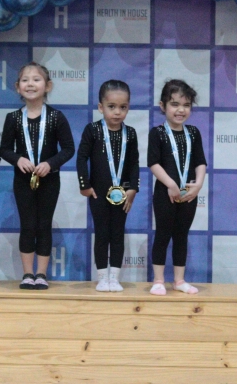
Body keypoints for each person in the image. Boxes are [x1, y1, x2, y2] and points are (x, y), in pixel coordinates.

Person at [0, 63, 75, 290]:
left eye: (36, 79)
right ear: (17, 87)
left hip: (49, 180)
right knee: (27, 224)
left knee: (43, 224)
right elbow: (4, 149)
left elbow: (68, 149)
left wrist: (50, 164)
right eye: (25, 80)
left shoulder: (56, 117)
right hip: (23, 180)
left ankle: (41, 274)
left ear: (47, 86)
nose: (30, 84)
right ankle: (27, 274)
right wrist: (18, 159)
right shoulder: (13, 118)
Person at [77, 80, 139, 292]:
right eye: (111, 106)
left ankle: (115, 277)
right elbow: (81, 158)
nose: (117, 112)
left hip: (122, 195)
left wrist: (133, 189)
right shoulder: (92, 130)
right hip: (97, 193)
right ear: (100, 107)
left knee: (117, 234)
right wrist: (85, 185)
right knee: (102, 234)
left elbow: (134, 163)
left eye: (123, 107)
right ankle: (102, 277)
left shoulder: (130, 133)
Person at [147, 79, 208, 295]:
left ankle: (179, 280)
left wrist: (198, 185)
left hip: (188, 194)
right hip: (165, 193)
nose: (181, 110)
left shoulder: (193, 133)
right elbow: (153, 163)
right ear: (162, 106)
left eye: (186, 105)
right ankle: (158, 280)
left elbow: (200, 162)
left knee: (182, 235)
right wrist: (171, 184)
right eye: (174, 104)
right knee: (163, 234)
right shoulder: (157, 133)